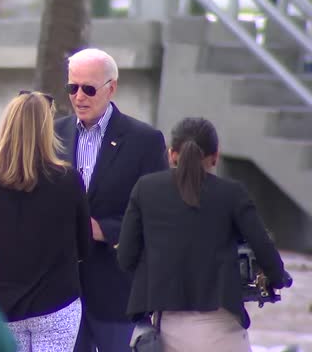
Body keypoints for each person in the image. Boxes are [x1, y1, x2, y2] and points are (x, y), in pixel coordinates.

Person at [117, 117, 287, 352]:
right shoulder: (231, 194)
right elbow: (264, 248)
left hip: (167, 330)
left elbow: (125, 257)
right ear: (215, 156)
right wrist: (277, 279)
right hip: (222, 326)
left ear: (171, 154)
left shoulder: (145, 189)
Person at [54, 48, 168, 352]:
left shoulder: (144, 141)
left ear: (111, 88)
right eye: (72, 88)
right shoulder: (54, 134)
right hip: (61, 294)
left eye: (89, 89)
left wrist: (102, 230)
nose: (79, 97)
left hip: (116, 292)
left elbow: (157, 216)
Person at [0, 92, 90, 351]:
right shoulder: (68, 180)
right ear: (46, 130)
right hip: (57, 303)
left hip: (6, 306)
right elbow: (85, 246)